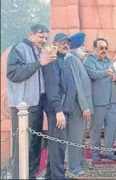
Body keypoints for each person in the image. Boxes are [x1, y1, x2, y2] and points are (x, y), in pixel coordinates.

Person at [6, 24, 56, 180]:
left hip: (38, 101)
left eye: (46, 37)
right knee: (22, 146)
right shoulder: (19, 49)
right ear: (30, 35)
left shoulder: (43, 50)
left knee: (35, 144)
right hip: (23, 105)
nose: (44, 40)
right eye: (41, 36)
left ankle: (31, 175)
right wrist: (40, 63)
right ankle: (18, 176)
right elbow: (13, 74)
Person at [43, 33, 75, 179]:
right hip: (58, 110)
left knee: (57, 145)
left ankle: (51, 175)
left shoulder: (64, 60)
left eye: (68, 43)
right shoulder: (52, 60)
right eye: (62, 42)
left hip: (64, 109)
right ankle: (58, 176)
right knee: (58, 146)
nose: (66, 45)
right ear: (54, 43)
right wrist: (58, 110)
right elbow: (52, 87)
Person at [83, 38, 116, 162]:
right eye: (101, 48)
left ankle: (108, 152)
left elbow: (111, 75)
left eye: (105, 48)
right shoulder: (89, 60)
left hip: (112, 102)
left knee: (111, 128)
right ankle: (94, 153)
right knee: (96, 129)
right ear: (94, 49)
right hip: (98, 102)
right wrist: (107, 73)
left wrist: (115, 77)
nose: (104, 50)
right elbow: (93, 74)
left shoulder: (109, 61)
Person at [64, 32, 94, 174]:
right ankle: (74, 166)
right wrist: (84, 106)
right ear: (76, 47)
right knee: (75, 137)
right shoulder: (71, 58)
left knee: (81, 136)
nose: (86, 50)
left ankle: (81, 160)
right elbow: (77, 85)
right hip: (78, 106)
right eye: (83, 47)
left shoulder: (78, 59)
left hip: (82, 106)